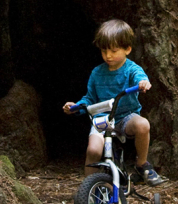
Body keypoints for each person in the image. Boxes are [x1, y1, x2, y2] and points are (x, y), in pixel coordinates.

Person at [63, 19, 165, 185]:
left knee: (143, 125)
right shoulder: (97, 73)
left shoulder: (131, 69)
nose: (108, 55)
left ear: (127, 49)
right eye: (104, 51)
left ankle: (142, 164)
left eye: (113, 50)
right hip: (102, 118)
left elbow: (140, 78)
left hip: (126, 116)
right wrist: (75, 107)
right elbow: (89, 99)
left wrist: (143, 83)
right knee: (94, 149)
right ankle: (90, 187)